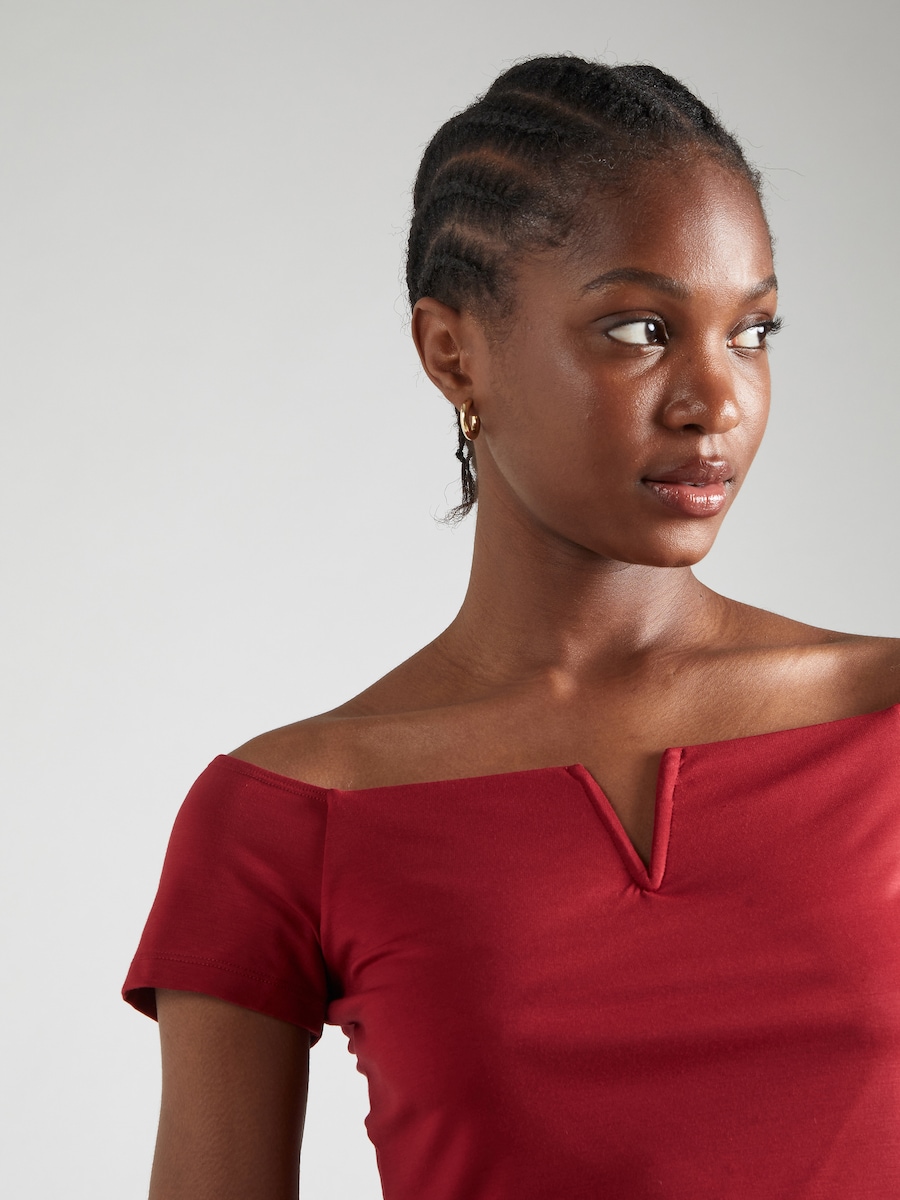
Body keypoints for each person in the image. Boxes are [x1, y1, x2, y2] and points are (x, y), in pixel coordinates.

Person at [124, 54, 900, 1199]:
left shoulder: (884, 722)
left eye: (753, 331)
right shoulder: (290, 814)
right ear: (454, 353)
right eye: (640, 328)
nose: (719, 399)